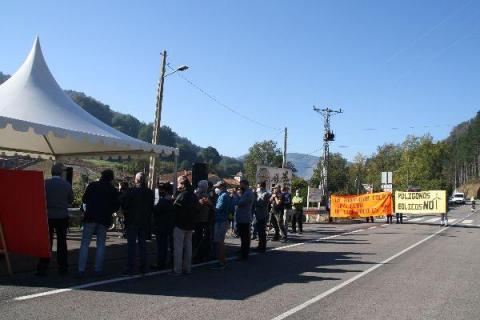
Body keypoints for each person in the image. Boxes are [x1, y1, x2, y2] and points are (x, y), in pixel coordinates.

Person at [76, 169, 120, 278]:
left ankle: (81, 270)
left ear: (101, 176)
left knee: (85, 244)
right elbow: (116, 206)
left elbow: (84, 199)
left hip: (90, 217)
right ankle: (98, 269)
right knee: (101, 245)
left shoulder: (92, 185)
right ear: (111, 178)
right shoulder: (113, 190)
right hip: (104, 219)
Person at [36, 163, 73, 276]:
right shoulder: (66, 185)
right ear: (61, 173)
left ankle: (42, 268)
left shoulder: (45, 183)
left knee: (48, 242)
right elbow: (71, 200)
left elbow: (40, 199)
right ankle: (63, 268)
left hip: (48, 216)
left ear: (52, 172)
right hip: (62, 216)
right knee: (62, 242)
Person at [120, 172, 154, 275]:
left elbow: (123, 202)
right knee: (143, 245)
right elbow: (151, 207)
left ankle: (131, 268)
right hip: (144, 221)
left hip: (132, 221)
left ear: (136, 180)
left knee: (131, 246)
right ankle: (143, 268)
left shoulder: (132, 191)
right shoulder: (150, 192)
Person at [172, 175, 197, 275]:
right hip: (190, 224)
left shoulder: (182, 195)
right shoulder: (193, 195)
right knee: (188, 247)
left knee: (178, 247)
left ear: (182, 184)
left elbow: (175, 207)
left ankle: (177, 269)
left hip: (180, 224)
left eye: (178, 182)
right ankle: (188, 268)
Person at [152, 182, 174, 270]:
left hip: (161, 225)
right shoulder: (173, 200)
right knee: (167, 245)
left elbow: (155, 210)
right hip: (169, 225)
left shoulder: (162, 201)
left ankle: (160, 263)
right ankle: (167, 260)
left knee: (161, 245)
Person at [210, 180, 230, 269]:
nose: (215, 188)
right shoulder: (222, 195)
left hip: (221, 221)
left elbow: (217, 209)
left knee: (220, 242)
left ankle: (221, 262)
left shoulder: (223, 196)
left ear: (222, 187)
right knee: (220, 242)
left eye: (217, 187)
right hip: (222, 220)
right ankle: (222, 261)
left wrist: (208, 203)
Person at [193, 180, 213, 262]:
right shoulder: (204, 194)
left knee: (199, 237)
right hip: (202, 219)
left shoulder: (199, 194)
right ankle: (200, 255)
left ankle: (199, 255)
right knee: (201, 238)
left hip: (200, 219)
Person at [235, 179, 255, 260]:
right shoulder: (246, 192)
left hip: (245, 218)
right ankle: (243, 250)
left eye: (241, 184)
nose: (240, 186)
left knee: (245, 237)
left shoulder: (248, 193)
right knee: (243, 236)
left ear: (244, 184)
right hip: (242, 217)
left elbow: (240, 203)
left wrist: (235, 196)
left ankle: (244, 255)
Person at [254, 182, 269, 252]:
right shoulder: (259, 194)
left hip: (262, 215)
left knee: (262, 232)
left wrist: (254, 198)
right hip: (258, 214)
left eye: (258, 187)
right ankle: (260, 246)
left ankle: (262, 247)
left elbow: (260, 203)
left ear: (262, 187)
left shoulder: (265, 194)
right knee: (259, 232)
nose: (257, 188)